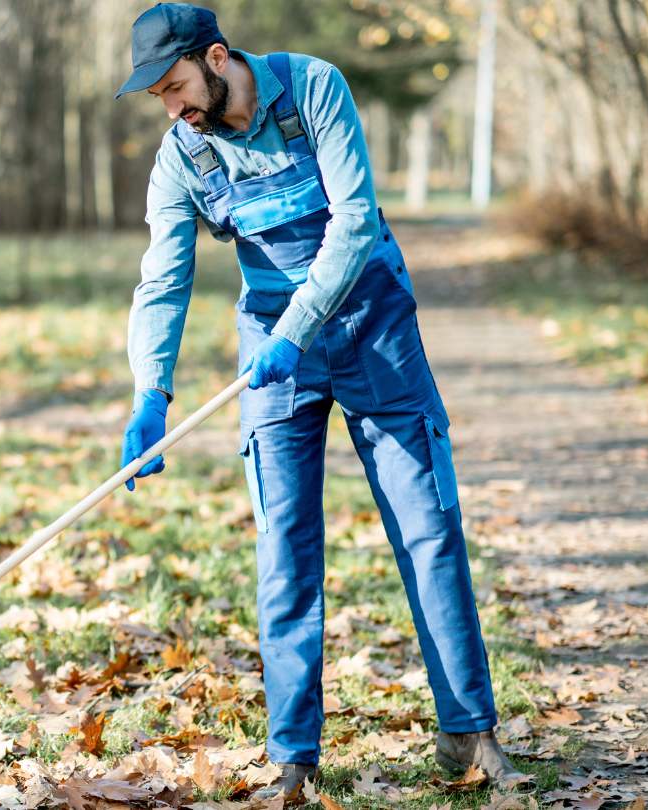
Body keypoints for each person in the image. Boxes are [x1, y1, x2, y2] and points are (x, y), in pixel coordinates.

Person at [114, 2, 527, 798]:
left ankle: (470, 734)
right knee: (286, 550)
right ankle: (292, 757)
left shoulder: (314, 90)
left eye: (175, 87)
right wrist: (150, 392)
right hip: (274, 355)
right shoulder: (182, 158)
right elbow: (162, 279)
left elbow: (356, 221)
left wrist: (298, 328)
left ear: (219, 57)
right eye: (160, 97)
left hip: (371, 329)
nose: (173, 109)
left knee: (428, 530)